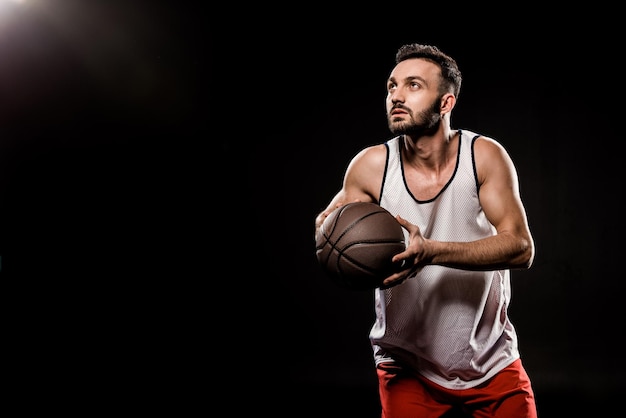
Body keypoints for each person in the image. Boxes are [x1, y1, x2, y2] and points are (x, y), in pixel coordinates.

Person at [314, 43, 538, 417]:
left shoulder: (483, 156)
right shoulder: (370, 166)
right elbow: (333, 238)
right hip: (406, 364)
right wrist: (328, 240)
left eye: (413, 86)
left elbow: (520, 247)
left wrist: (430, 250)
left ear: (446, 102)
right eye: (392, 86)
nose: (397, 96)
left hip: (491, 360)